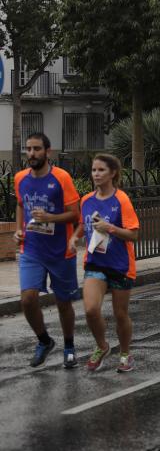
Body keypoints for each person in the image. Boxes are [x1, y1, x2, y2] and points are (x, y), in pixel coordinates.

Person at [13, 133, 80, 368]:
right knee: (27, 299)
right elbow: (21, 205)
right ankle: (44, 340)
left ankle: (69, 346)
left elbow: (75, 213)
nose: (31, 154)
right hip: (31, 249)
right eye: (28, 149)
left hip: (61, 251)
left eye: (36, 149)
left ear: (47, 152)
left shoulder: (61, 178)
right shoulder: (20, 178)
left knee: (63, 302)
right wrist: (19, 229)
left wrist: (51, 217)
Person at [68, 154, 139, 372]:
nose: (96, 174)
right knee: (90, 310)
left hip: (120, 265)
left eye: (101, 170)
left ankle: (125, 354)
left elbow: (133, 234)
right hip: (95, 262)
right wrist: (74, 237)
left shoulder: (121, 200)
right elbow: (82, 224)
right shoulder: (87, 200)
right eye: (94, 170)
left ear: (113, 173)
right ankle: (102, 346)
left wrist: (111, 228)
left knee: (120, 314)